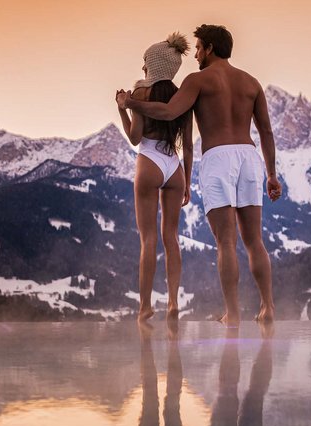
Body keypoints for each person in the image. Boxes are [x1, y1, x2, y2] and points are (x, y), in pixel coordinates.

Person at [118, 24, 282, 325]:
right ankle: (267, 307)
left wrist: (130, 104)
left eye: (198, 48)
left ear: (208, 48)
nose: (195, 55)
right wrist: (271, 174)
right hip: (249, 155)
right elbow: (266, 131)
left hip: (218, 157)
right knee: (254, 240)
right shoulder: (252, 83)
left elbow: (168, 112)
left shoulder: (198, 81)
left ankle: (232, 314)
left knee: (226, 241)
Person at [115, 33, 194, 323]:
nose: (143, 69)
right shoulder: (182, 97)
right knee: (171, 237)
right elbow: (188, 144)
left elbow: (135, 139)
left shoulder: (140, 94)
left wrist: (122, 109)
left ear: (155, 65)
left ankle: (145, 307)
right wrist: (187, 178)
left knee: (148, 240)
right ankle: (173, 302)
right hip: (175, 167)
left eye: (146, 63)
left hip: (149, 161)